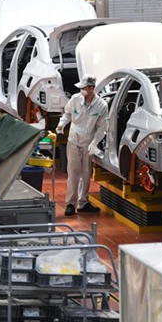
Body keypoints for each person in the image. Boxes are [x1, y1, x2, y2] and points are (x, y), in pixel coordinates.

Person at [56, 74, 108, 216]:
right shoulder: (75, 99)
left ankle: (83, 202)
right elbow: (67, 114)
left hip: (88, 144)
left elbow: (102, 128)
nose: (81, 91)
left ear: (91, 88)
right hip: (73, 141)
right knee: (73, 172)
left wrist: (94, 143)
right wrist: (61, 124)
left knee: (86, 173)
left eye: (84, 88)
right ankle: (70, 204)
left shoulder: (101, 106)